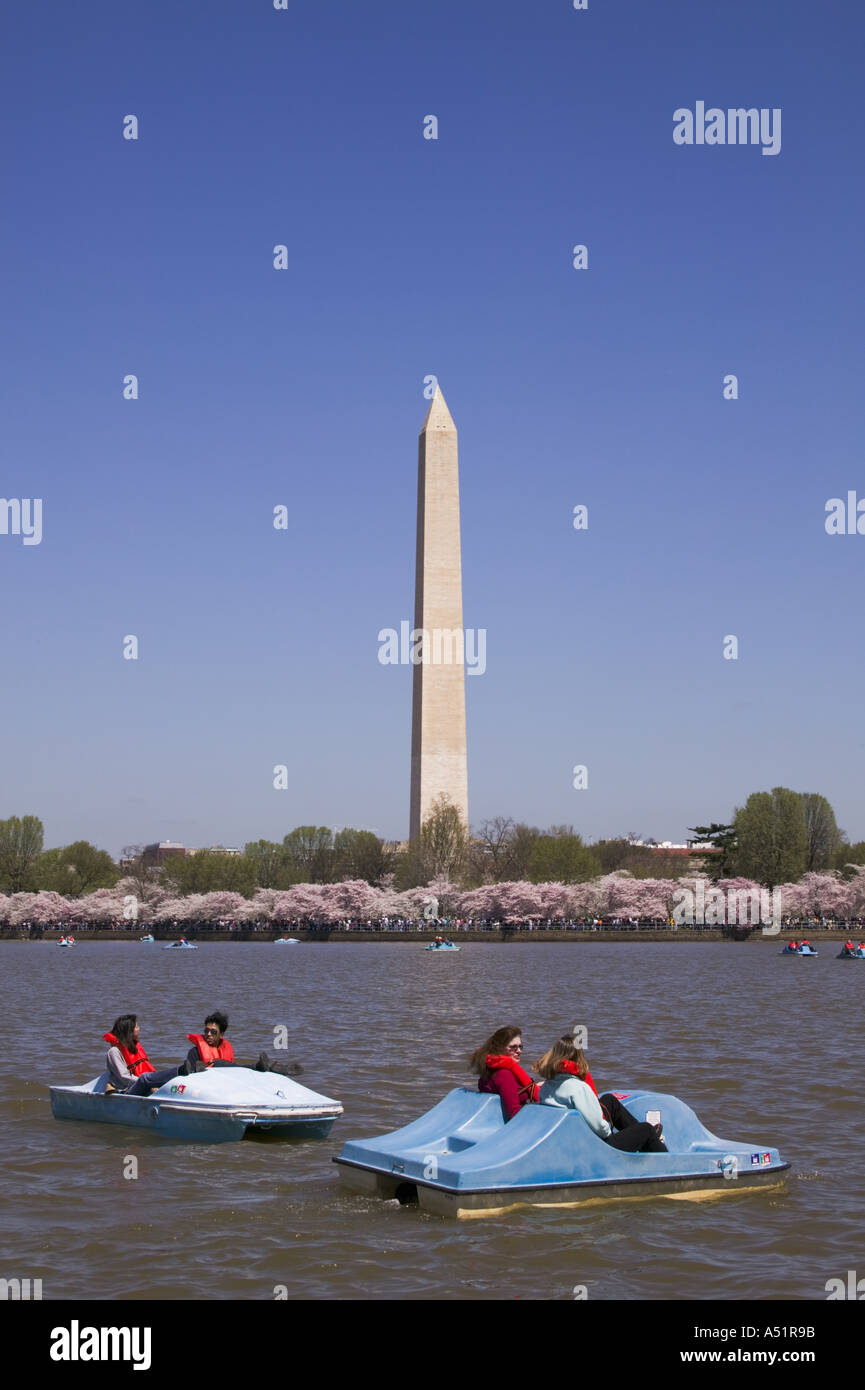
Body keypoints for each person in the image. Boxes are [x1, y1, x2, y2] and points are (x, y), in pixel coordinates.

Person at [534, 1035, 667, 1153]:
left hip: (570, 1140)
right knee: (646, 1129)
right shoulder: (578, 1088)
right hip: (595, 1148)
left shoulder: (547, 1086)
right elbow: (600, 1129)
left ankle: (647, 1140)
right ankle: (663, 1158)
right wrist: (608, 1127)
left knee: (609, 1101)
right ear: (578, 1057)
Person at [469, 1025, 539, 1121]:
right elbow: (514, 1113)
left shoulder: (490, 1068)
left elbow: (510, 1090)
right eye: (513, 1047)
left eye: (520, 1047)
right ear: (500, 1048)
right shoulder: (504, 1075)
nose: (519, 1051)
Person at [103, 1015, 181, 1096]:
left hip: (143, 1085)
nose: (139, 1029)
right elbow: (124, 1078)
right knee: (144, 1078)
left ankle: (179, 1075)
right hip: (126, 1090)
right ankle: (180, 1070)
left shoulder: (133, 1047)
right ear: (129, 1031)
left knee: (159, 1081)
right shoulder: (114, 1052)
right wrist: (149, 1084)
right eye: (136, 1027)